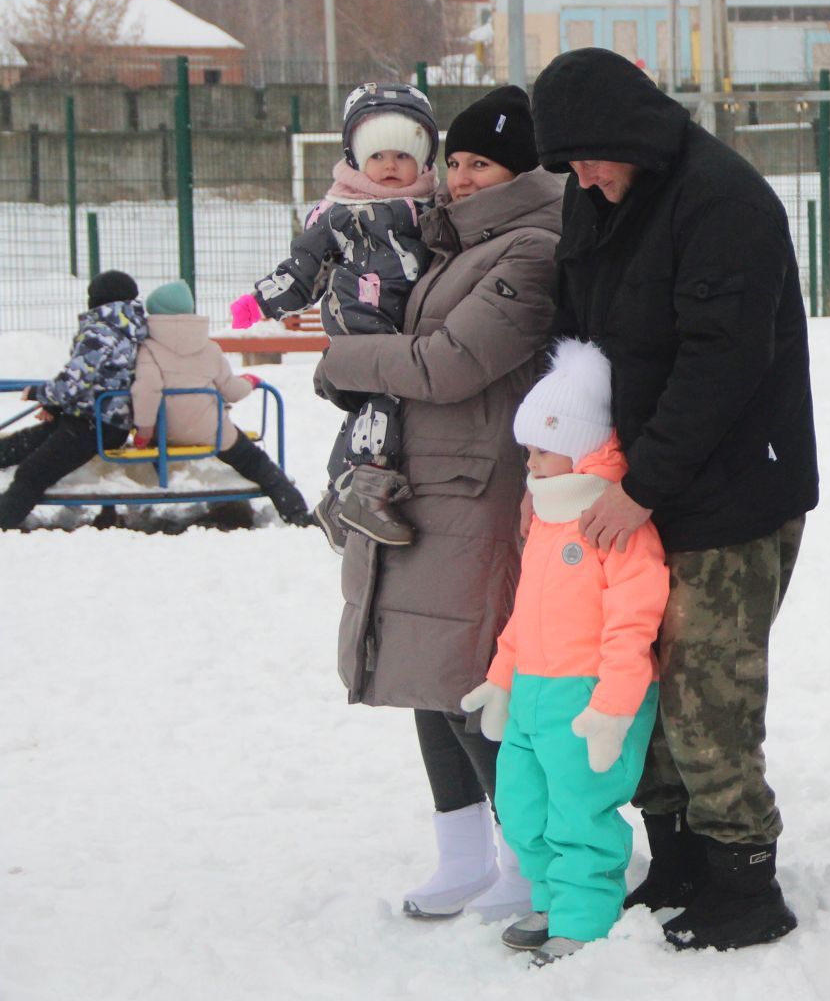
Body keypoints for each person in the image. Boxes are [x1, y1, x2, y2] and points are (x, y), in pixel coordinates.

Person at [531, 47, 819, 952]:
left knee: (706, 692)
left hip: (732, 489)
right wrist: (574, 453)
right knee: (641, 677)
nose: (582, 178)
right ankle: (681, 858)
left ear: (633, 135)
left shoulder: (723, 201)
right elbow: (576, 331)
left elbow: (721, 363)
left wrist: (642, 484)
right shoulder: (598, 190)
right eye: (569, 163)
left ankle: (744, 881)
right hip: (630, 481)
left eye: (591, 157)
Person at [317, 83, 563, 924]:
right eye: (452, 162)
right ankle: (463, 855)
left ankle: (531, 860)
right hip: (425, 482)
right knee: (423, 675)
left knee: (471, 681)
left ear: (522, 169)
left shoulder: (531, 249)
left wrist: (344, 361)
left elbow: (448, 366)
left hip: (480, 488)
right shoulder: (455, 243)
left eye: (480, 163)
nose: (458, 178)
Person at [460, 339, 668, 967]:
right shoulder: (548, 521)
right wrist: (502, 679)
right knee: (523, 809)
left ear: (581, 446)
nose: (531, 464)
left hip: (587, 696)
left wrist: (613, 705)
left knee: (580, 813)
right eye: (527, 451)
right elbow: (526, 613)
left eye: (541, 451)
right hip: (531, 692)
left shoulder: (614, 524)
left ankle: (585, 916)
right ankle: (551, 898)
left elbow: (634, 621)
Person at [234, 82, 439, 548]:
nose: (391, 166)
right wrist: (262, 302)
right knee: (385, 398)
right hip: (361, 325)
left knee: (384, 410)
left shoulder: (435, 211)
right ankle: (364, 491)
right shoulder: (340, 214)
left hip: (411, 330)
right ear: (355, 158)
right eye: (378, 155)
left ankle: (339, 490)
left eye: (404, 156)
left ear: (425, 160)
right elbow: (304, 270)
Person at [129, 280, 310, 525]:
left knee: (148, 457)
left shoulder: (147, 349)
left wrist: (145, 431)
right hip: (211, 431)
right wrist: (249, 380)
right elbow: (231, 391)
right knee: (255, 461)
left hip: (164, 432)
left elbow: (146, 390)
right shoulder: (209, 348)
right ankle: (296, 511)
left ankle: (139, 508)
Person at [1, 270, 147, 528]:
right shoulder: (129, 328)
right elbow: (99, 381)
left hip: (95, 425)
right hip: (96, 419)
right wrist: (57, 406)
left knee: (32, 473)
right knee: (12, 447)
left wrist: (40, 394)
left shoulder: (100, 332)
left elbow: (74, 382)